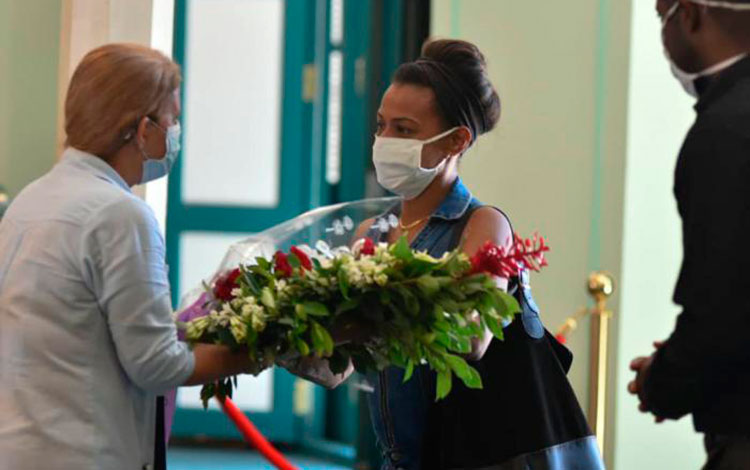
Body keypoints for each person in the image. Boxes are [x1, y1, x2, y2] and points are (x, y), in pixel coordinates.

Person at [282, 39, 603, 470]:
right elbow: (337, 369)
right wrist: (282, 332)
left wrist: (364, 315)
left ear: (455, 140)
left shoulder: (483, 225)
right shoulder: (371, 234)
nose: (384, 140)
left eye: (404, 129)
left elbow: (471, 338)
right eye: (382, 126)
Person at [0, 44, 267, 470]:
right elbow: (156, 365)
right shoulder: (121, 215)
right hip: (86, 451)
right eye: (172, 120)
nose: (176, 132)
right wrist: (265, 351)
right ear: (143, 130)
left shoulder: (32, 199)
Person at [628, 1, 750, 468]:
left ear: (692, 16)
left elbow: (725, 311)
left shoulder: (725, 130)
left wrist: (662, 381)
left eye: (663, 15)